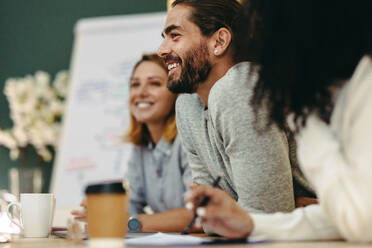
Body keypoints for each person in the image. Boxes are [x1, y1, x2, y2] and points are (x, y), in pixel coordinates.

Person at [185, 0, 372, 242]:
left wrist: (306, 119)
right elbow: (346, 215)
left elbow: (361, 220)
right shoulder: (337, 90)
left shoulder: (363, 84)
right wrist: (251, 223)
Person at [157, 0, 314, 219]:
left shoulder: (240, 87)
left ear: (219, 41)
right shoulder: (187, 106)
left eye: (175, 36)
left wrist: (237, 213)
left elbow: (265, 217)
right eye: (163, 38)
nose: (162, 50)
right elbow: (207, 217)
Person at [72, 54, 196, 232]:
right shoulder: (141, 147)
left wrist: (131, 221)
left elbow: (198, 215)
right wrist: (106, 209)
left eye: (154, 83)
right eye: (135, 84)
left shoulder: (190, 138)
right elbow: (131, 205)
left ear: (176, 93)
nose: (141, 92)